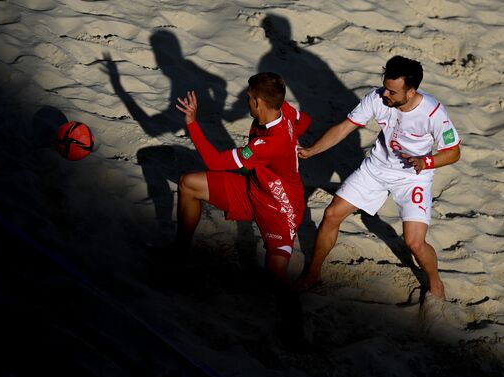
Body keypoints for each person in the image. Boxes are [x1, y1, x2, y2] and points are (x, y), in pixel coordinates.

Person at [296, 56, 461, 299]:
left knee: (414, 243)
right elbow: (344, 128)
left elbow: (454, 152)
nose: (385, 94)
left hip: (413, 177)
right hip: (376, 168)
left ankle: (436, 285)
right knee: (332, 215)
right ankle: (313, 275)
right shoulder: (377, 97)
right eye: (385, 87)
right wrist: (311, 151)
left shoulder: (434, 113)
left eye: (392, 92)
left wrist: (426, 162)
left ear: (411, 91)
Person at [174, 72, 312, 284]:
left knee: (276, 281)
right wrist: (291, 147)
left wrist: (192, 122)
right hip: (253, 190)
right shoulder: (282, 109)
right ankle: (178, 253)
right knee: (188, 184)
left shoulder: (267, 146)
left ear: (257, 102)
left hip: (280, 211)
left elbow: (215, 162)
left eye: (248, 97)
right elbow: (304, 121)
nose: (246, 101)